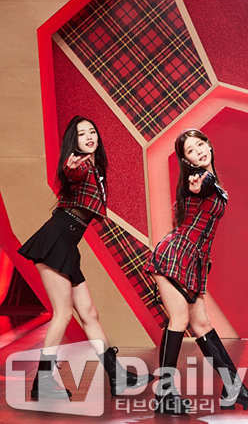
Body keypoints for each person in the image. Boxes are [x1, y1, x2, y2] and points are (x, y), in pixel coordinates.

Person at [18, 115, 153, 400]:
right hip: (56, 240)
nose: (90, 137)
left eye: (92, 131)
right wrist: (71, 166)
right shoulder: (79, 165)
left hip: (67, 243)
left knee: (89, 314)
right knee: (63, 313)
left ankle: (116, 376)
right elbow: (72, 172)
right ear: (74, 141)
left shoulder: (95, 168)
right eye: (82, 134)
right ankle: (43, 381)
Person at [145, 129, 248, 415]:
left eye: (200, 144)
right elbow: (200, 187)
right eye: (191, 150)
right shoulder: (199, 180)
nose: (199, 151)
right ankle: (164, 393)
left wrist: (207, 182)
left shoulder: (212, 180)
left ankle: (233, 388)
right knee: (180, 319)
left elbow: (208, 187)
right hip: (174, 255)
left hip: (194, 261)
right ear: (186, 161)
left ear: (209, 144)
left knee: (201, 324)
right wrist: (200, 183)